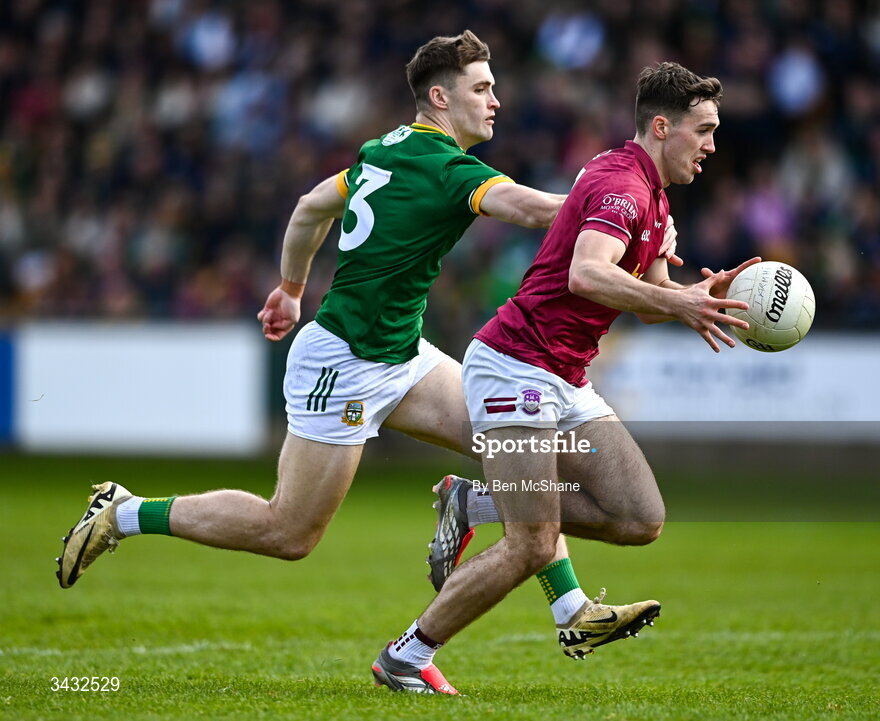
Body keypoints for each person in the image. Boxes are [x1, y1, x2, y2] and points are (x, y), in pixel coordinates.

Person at [56, 29, 663, 671]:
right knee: (288, 532)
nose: (496, 101)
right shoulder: (445, 166)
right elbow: (534, 209)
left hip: (403, 356)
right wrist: (617, 211)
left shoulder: (386, 150)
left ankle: (570, 610)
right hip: (343, 366)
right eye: (482, 88)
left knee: (519, 444)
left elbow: (309, 206)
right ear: (439, 95)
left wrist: (290, 288)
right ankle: (125, 513)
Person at [374, 62, 761, 694]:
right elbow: (587, 273)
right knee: (532, 541)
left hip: (565, 376)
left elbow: (646, 296)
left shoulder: (656, 198)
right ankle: (405, 656)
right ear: (662, 127)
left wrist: (694, 295)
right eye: (704, 130)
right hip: (516, 364)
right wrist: (679, 303)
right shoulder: (621, 187)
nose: (712, 145)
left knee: (640, 517)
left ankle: (470, 502)